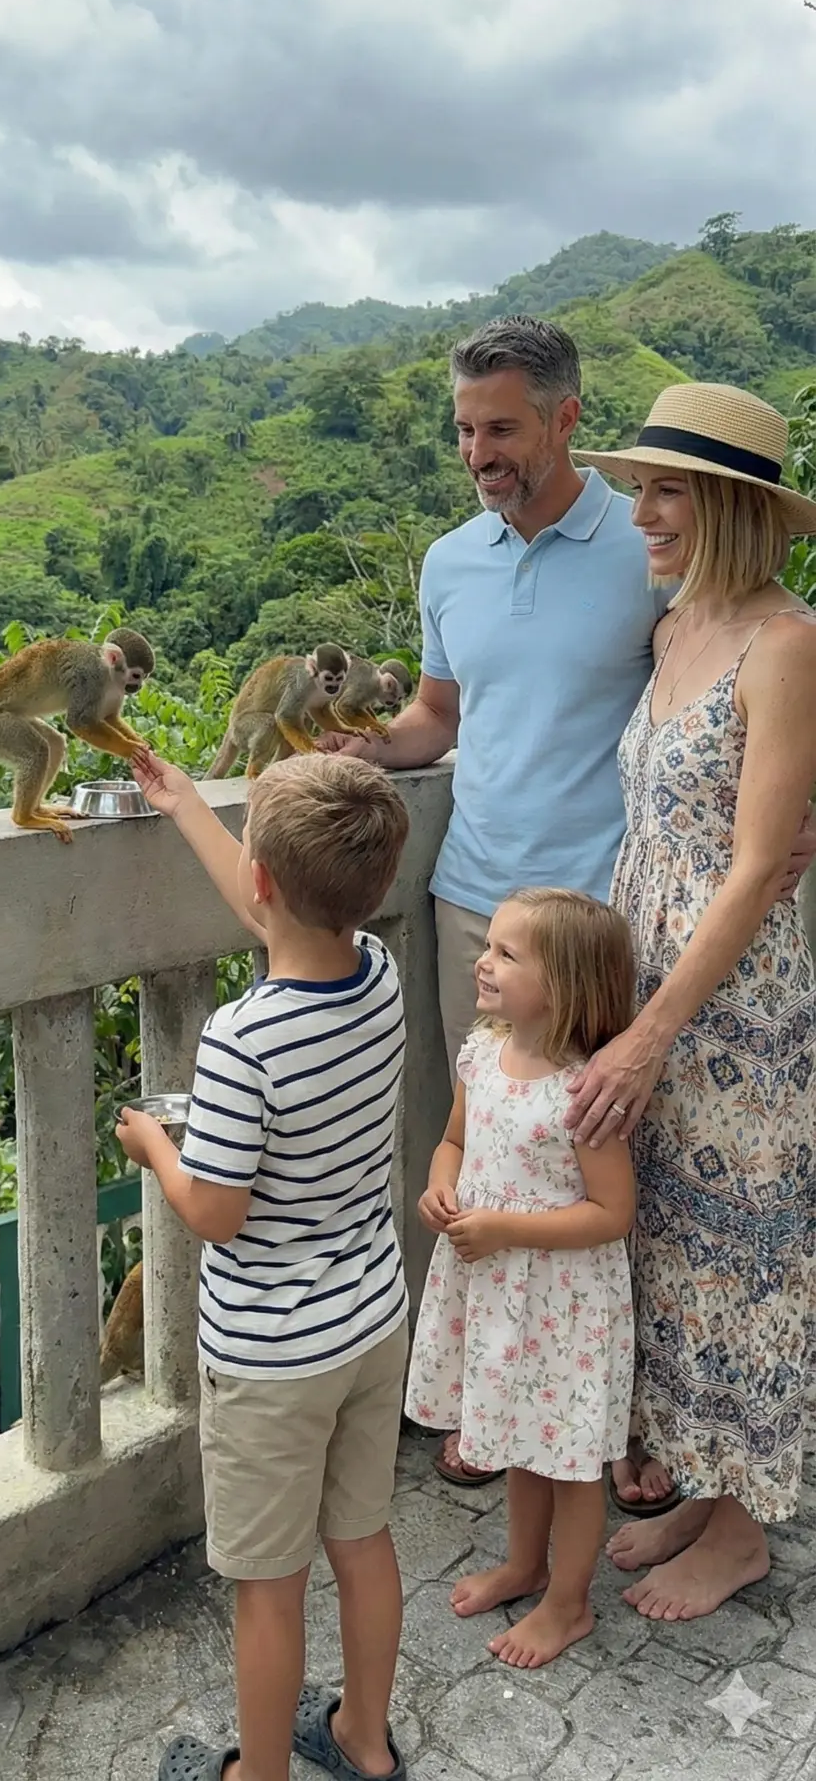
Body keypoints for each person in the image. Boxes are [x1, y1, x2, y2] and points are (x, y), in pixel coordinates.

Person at [318, 316, 816, 1514]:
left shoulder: (664, 573)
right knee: (486, 1147)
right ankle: (497, 1402)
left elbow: (750, 745)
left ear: (562, 421)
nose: (480, 451)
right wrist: (356, 755)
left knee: (633, 1191)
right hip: (476, 899)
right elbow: (439, 719)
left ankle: (633, 1444)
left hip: (614, 928)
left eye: (501, 427)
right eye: (464, 430)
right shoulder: (476, 568)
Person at [556, 381, 816, 1621]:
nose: (641, 510)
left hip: (731, 1010)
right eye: (642, 485)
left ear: (730, 506)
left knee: (741, 1256)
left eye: (666, 490)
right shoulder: (674, 629)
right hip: (648, 971)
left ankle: (744, 1527)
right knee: (666, 1247)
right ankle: (702, 1494)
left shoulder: (785, 640)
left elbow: (761, 860)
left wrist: (656, 1034)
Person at [117, 749, 412, 1781]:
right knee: (363, 1540)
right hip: (372, 1323)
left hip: (272, 1359)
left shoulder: (240, 1041)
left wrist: (153, 1143)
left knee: (267, 1586)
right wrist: (186, 803)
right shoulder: (376, 974)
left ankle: (259, 1774)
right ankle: (364, 1744)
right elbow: (285, 926)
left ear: (262, 881)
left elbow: (216, 1210)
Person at [406, 888, 637, 1669]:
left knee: (568, 1456)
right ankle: (523, 1564)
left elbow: (611, 1212)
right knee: (515, 1435)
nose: (485, 960)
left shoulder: (582, 1089)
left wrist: (505, 1227)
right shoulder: (481, 1052)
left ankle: (569, 1602)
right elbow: (452, 1141)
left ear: (566, 985)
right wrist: (443, 1186)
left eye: (509, 954)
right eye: (490, 945)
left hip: (563, 1304)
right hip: (497, 1290)